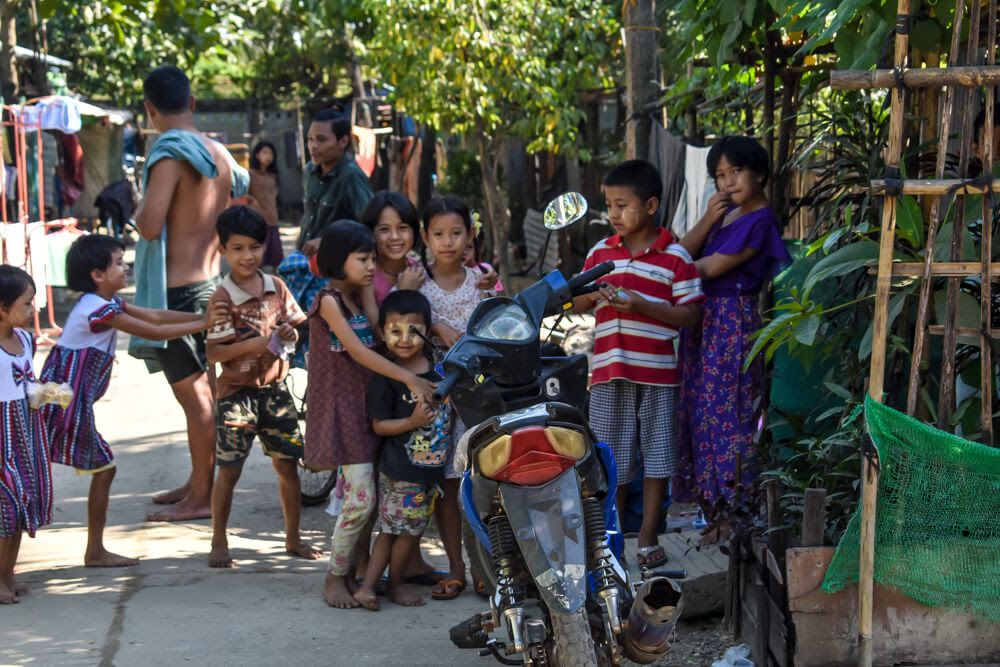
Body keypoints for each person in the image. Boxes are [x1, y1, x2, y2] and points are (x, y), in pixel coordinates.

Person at [40, 235, 224, 567]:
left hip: (66, 401)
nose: (126, 268)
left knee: (80, 466)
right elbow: (151, 332)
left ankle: (93, 548)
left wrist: (201, 322)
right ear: (98, 274)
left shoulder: (100, 303)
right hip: (67, 403)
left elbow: (155, 317)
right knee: (103, 468)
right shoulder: (98, 310)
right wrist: (202, 323)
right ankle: (94, 551)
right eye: (119, 263)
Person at [573, 160, 704, 568]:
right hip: (610, 373)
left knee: (658, 455)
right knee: (611, 457)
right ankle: (611, 533)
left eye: (621, 205)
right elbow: (575, 300)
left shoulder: (676, 257)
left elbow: (691, 315)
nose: (612, 214)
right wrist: (594, 296)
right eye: (608, 205)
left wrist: (641, 304)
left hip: (660, 376)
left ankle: (648, 534)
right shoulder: (600, 254)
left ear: (650, 205)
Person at [135, 65, 248, 522]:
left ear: (150, 109)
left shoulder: (168, 155)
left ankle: (202, 496)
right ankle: (197, 482)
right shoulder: (219, 154)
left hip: (180, 294)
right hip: (212, 283)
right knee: (209, 393)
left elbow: (148, 225)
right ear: (193, 103)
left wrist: (140, 198)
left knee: (196, 397)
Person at [306, 220, 436, 609]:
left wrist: (371, 286)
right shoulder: (328, 300)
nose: (369, 267)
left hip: (366, 404)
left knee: (367, 500)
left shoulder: (356, 293)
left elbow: (379, 334)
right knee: (361, 499)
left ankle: (352, 574)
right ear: (336, 260)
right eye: (362, 259)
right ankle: (333, 577)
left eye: (371, 260)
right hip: (341, 408)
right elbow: (361, 353)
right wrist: (410, 381)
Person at [674, 137, 791, 543]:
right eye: (719, 176)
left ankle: (734, 516)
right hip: (702, 324)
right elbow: (681, 253)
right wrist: (708, 217)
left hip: (731, 323)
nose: (727, 182)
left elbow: (704, 266)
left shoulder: (760, 220)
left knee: (730, 416)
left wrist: (658, 275)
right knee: (701, 414)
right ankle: (713, 512)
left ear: (758, 172)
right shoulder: (724, 215)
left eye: (735, 172)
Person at [204, 206, 321, 568]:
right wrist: (252, 346)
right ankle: (219, 540)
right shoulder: (222, 298)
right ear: (222, 250)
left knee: (288, 466)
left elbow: (298, 326)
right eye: (237, 248)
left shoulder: (277, 287)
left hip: (276, 391)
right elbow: (213, 350)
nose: (247, 256)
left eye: (254, 247)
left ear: (264, 246)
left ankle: (293, 537)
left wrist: (289, 333)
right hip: (237, 395)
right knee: (229, 470)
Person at [354, 290, 450, 610]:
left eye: (414, 330)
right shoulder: (388, 377)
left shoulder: (439, 369)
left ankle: (377, 586)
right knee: (397, 533)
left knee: (403, 532)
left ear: (428, 330)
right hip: (400, 471)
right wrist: (412, 421)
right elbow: (379, 426)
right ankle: (385, 586)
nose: (405, 339)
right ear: (382, 332)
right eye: (395, 331)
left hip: (428, 470)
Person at [418, 194, 493, 600]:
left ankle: (486, 567)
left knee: (481, 481)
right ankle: (455, 567)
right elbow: (402, 324)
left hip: (480, 398)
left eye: (456, 233)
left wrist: (493, 287)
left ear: (470, 235)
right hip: (440, 399)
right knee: (446, 487)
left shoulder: (481, 280)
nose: (448, 242)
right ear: (425, 236)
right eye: (439, 234)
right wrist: (432, 324)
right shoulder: (417, 285)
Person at [0, 266, 52, 603]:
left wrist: (47, 393)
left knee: (23, 502)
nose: (34, 310)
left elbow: (27, 383)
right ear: (2, 309)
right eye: (27, 304)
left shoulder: (26, 339)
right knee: (6, 505)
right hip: (2, 432)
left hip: (26, 429)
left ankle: (7, 573)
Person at [297, 109, 373, 256]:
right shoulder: (309, 171)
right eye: (310, 139)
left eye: (321, 139)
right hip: (308, 261)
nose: (313, 145)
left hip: (338, 265)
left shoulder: (351, 176)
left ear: (343, 141)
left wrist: (327, 240)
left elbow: (369, 226)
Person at [361, 191, 426, 304]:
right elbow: (376, 322)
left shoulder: (418, 269)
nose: (395, 237)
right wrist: (403, 292)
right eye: (384, 229)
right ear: (370, 232)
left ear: (414, 231)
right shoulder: (367, 276)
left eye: (402, 228)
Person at [248, 140, 284, 270]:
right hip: (257, 221)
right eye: (265, 152)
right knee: (258, 260)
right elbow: (244, 196)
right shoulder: (250, 174)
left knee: (277, 261)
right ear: (257, 155)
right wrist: (254, 205)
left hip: (273, 220)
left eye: (271, 153)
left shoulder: (273, 176)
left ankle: (277, 287)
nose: (268, 156)